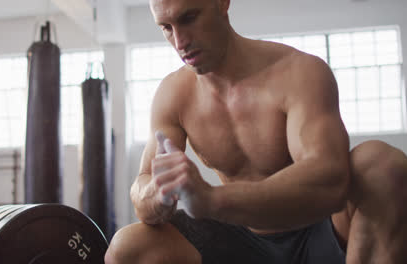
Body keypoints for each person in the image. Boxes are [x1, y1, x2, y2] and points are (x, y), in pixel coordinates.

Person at [105, 0, 407, 263]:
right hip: (237, 241)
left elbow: (330, 181)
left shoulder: (298, 72)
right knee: (127, 248)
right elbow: (141, 189)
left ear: (222, 2)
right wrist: (157, 193)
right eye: (166, 27)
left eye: (188, 18)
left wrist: (211, 200)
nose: (180, 41)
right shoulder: (174, 94)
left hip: (317, 231)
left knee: (381, 165)